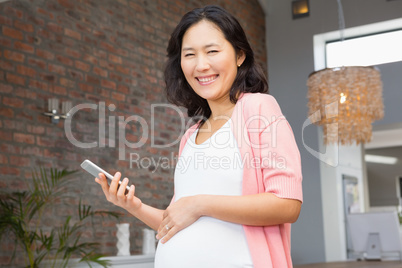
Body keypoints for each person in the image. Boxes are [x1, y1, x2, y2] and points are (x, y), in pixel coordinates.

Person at [95, 5, 303, 268]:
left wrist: (200, 204)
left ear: (240, 55)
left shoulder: (258, 108)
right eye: (190, 54)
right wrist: (132, 205)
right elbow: (176, 220)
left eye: (212, 51)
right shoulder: (191, 135)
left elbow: (287, 204)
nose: (201, 65)